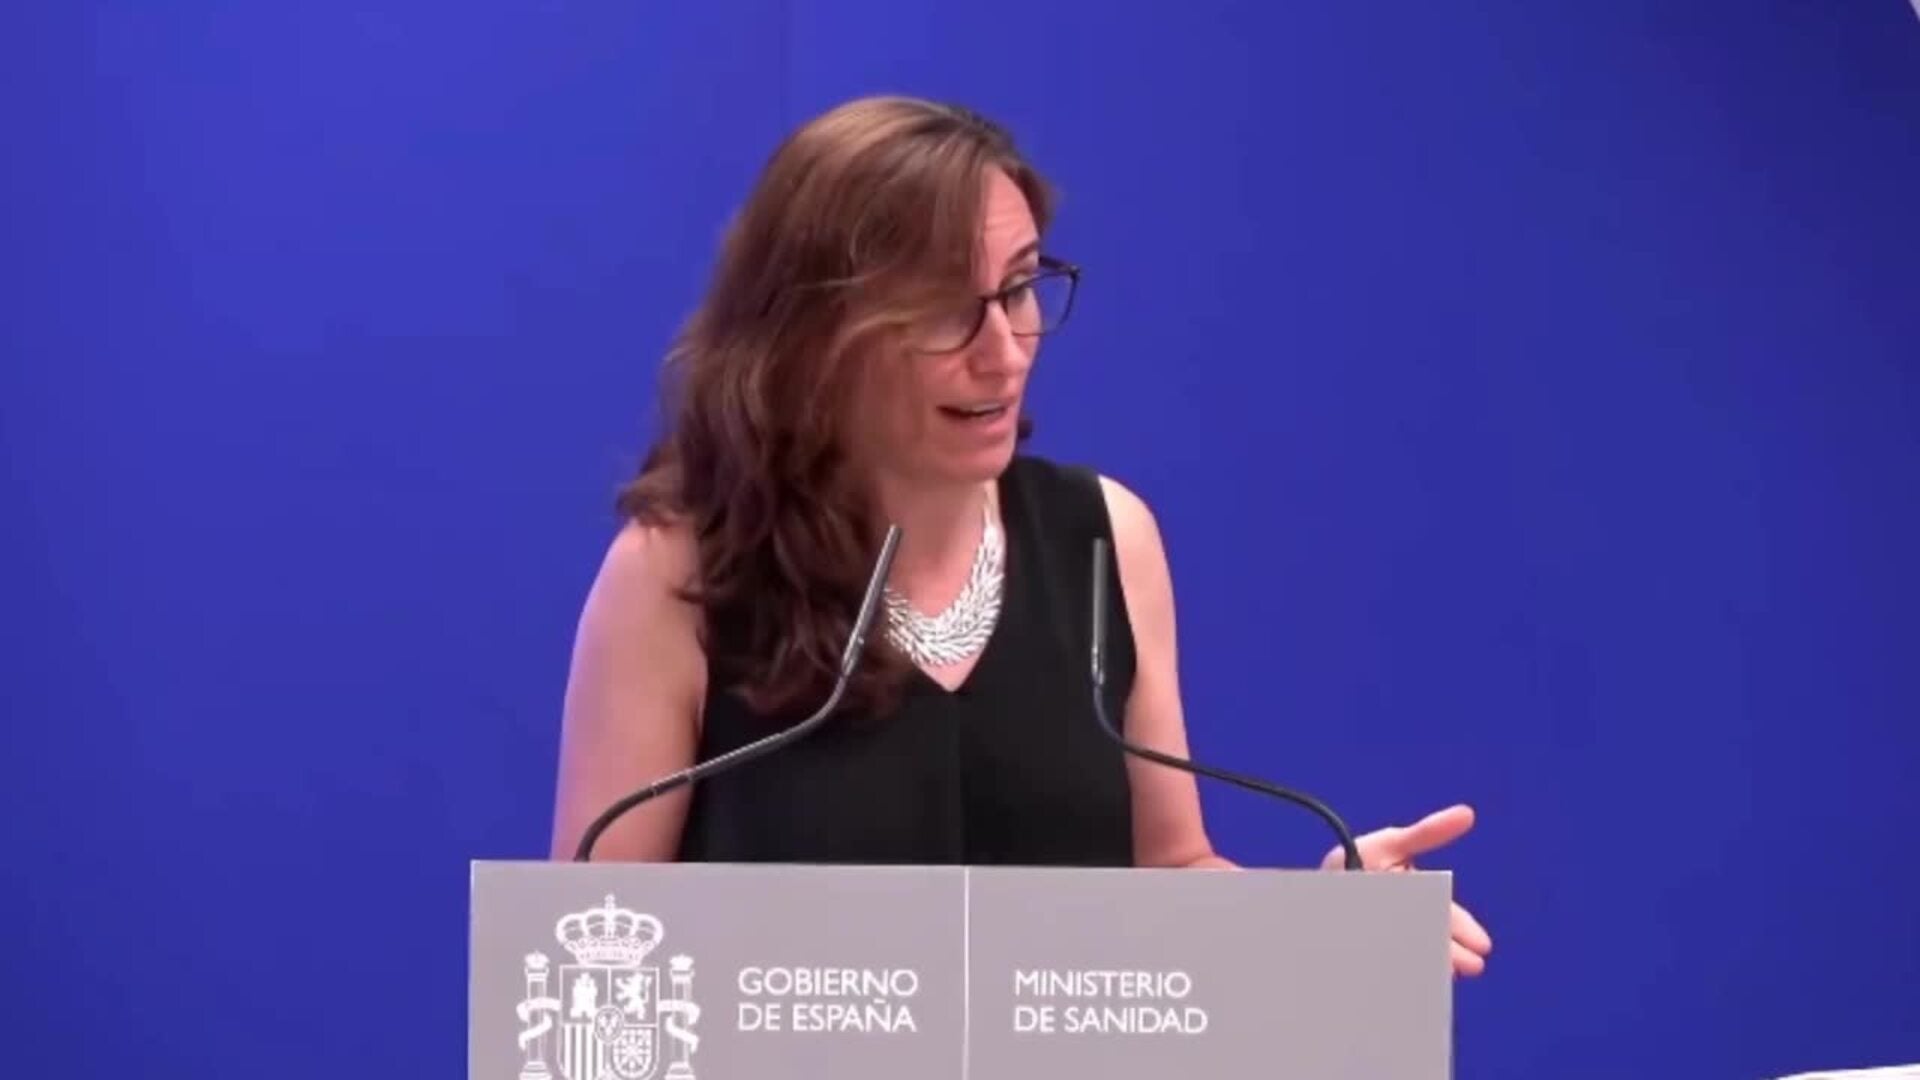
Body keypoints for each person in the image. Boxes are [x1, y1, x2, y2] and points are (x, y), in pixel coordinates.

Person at [550, 95, 1493, 977]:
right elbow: (595, 937)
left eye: (1019, 291)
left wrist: (1317, 925)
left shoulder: (1104, 540)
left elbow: (1172, 873)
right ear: (813, 332)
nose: (1002, 352)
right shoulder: (681, 575)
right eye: (944, 310)